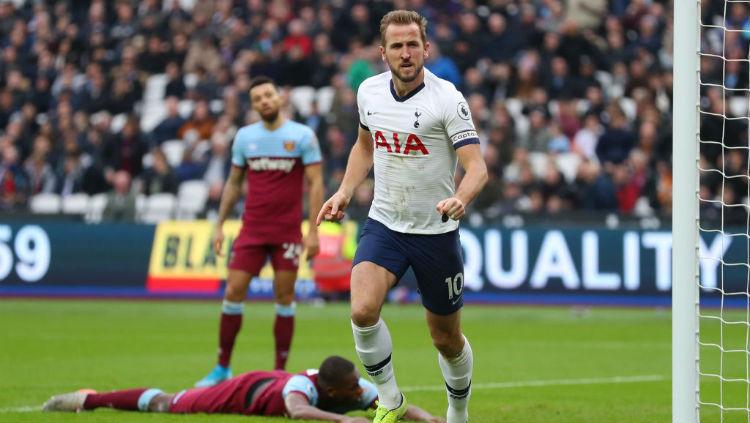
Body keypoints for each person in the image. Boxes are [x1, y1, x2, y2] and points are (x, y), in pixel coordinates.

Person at [316, 10, 488, 423]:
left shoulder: (447, 98)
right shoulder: (369, 92)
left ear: (425, 49)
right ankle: (390, 399)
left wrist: (461, 198)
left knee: (445, 339)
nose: (406, 53)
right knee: (361, 309)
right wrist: (343, 191)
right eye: (397, 46)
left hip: (436, 232)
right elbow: (364, 146)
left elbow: (477, 167)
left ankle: (458, 413)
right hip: (386, 224)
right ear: (383, 52)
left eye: (413, 44)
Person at [196, 76, 324, 387]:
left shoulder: (302, 136)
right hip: (251, 230)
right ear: (253, 105)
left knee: (284, 298)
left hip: (287, 233)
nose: (264, 101)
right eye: (258, 99)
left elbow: (316, 183)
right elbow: (233, 183)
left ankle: (279, 371)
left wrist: (313, 232)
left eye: (268, 95)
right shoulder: (244, 138)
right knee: (232, 292)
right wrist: (219, 225)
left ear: (280, 97)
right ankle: (222, 367)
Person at [43, 355, 443, 423]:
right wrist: (341, 420)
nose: (361, 392)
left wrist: (428, 418)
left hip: (266, 382)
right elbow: (298, 411)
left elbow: (396, 403)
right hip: (243, 390)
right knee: (169, 405)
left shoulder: (351, 386)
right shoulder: (305, 388)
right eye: (352, 389)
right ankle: (91, 399)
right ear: (331, 390)